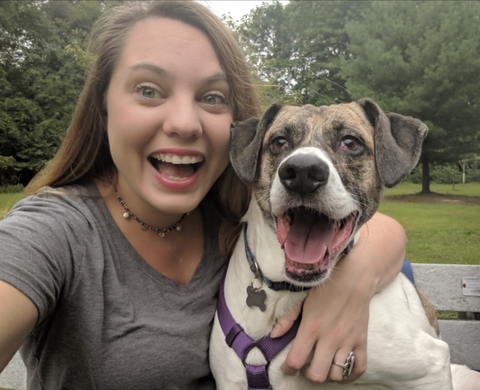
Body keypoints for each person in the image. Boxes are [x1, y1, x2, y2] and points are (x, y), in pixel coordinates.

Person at [0, 1, 406, 388]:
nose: (183, 123)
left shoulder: (238, 214)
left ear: (235, 126)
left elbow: (374, 225)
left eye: (212, 97)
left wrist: (350, 279)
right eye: (148, 89)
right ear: (102, 106)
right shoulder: (53, 232)